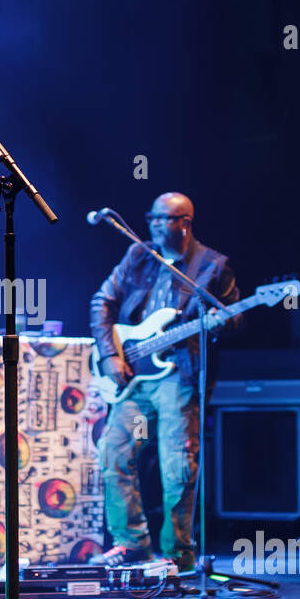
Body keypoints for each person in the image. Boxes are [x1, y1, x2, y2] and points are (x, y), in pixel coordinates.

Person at [89, 192, 241, 572]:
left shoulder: (212, 267)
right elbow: (102, 301)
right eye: (152, 218)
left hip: (178, 378)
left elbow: (234, 316)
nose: (155, 225)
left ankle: (177, 554)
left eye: (164, 219)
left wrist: (223, 324)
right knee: (116, 451)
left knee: (178, 466)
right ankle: (131, 543)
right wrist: (110, 354)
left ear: (185, 223)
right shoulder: (139, 254)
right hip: (136, 377)